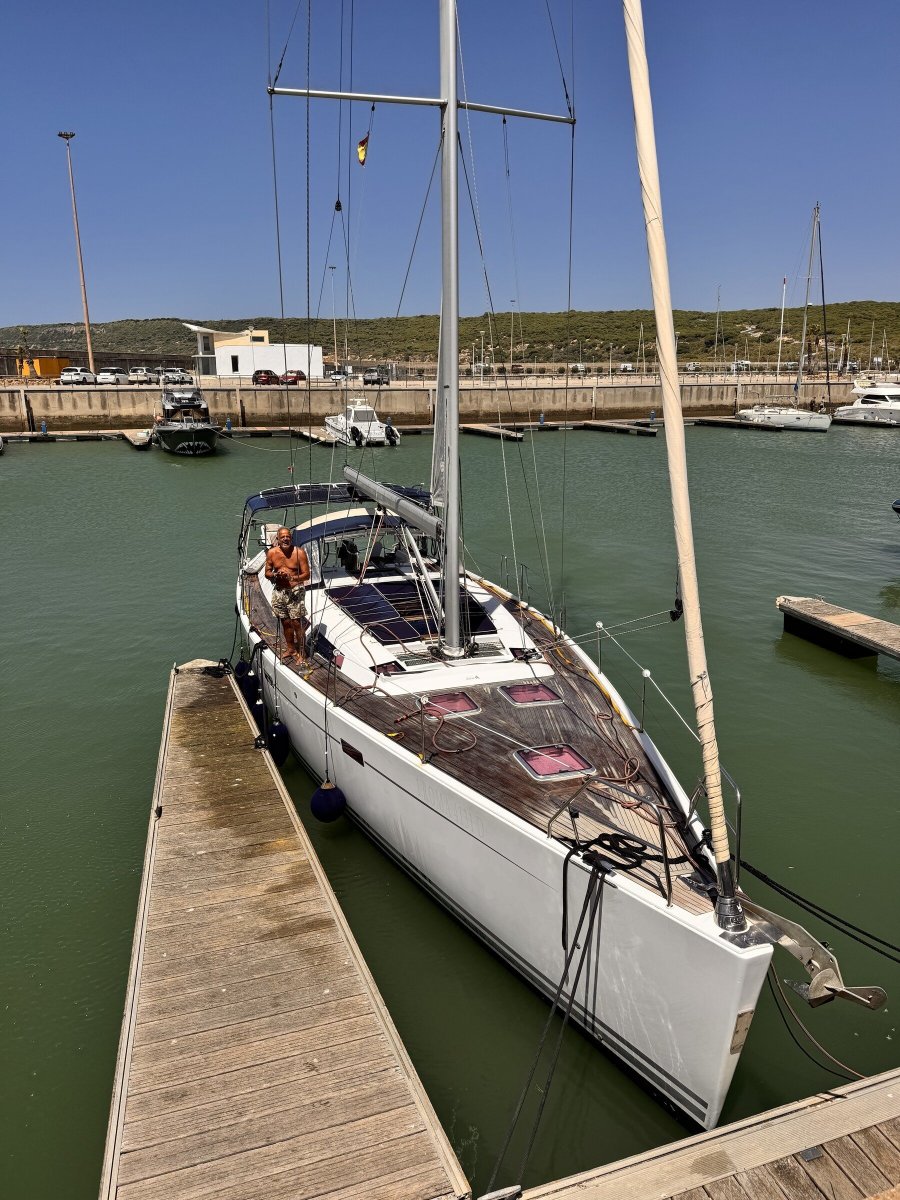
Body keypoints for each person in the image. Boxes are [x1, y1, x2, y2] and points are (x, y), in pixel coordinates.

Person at [265, 527, 310, 663]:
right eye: (282, 536)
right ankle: (291, 648)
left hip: (295, 591)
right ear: (278, 539)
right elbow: (267, 572)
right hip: (279, 591)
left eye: (288, 536)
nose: (285, 538)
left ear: (291, 538)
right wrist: (275, 574)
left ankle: (302, 653)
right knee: (285, 622)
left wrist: (292, 578)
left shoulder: (299, 553)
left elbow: (306, 574)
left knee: (297, 623)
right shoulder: (272, 553)